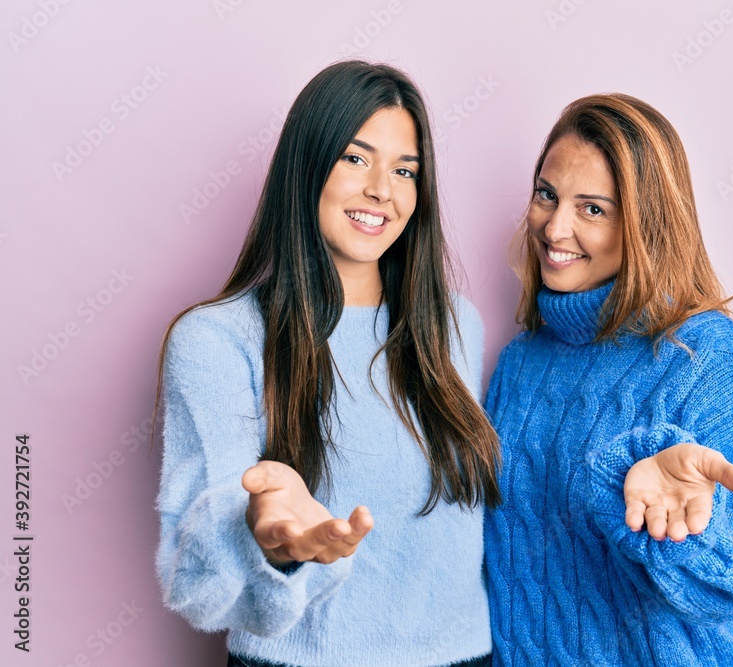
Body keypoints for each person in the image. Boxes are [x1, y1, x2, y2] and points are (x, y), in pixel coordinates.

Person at [153, 60, 499, 667]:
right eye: (355, 158)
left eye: (405, 170)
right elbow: (197, 589)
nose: (382, 191)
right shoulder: (216, 340)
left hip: (466, 657)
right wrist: (274, 546)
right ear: (307, 165)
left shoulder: (455, 326)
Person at [483, 94, 733, 665]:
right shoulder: (518, 364)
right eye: (546, 196)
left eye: (592, 209)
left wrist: (684, 524)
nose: (555, 228)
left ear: (643, 222)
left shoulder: (696, 346)